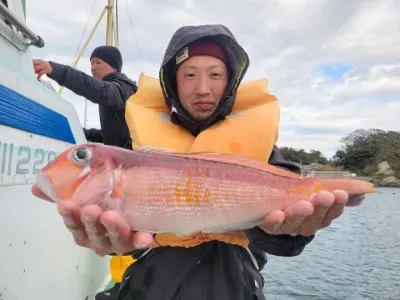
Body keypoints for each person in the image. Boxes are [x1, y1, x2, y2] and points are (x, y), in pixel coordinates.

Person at [33, 25, 358, 300]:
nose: (203, 88)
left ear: (230, 81)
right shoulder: (136, 144)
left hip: (236, 282)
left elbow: (288, 231)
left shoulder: (261, 149)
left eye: (215, 74)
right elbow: (122, 232)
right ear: (172, 82)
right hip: (150, 280)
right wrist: (113, 242)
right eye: (189, 75)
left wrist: (289, 232)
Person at [33, 45, 139, 300]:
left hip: (128, 176)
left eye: (98, 62)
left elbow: (99, 92)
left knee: (125, 232)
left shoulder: (120, 87)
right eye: (91, 62)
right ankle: (124, 282)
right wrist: (83, 132)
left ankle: (130, 285)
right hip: (123, 173)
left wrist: (56, 70)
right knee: (120, 232)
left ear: (114, 65)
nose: (93, 67)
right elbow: (114, 135)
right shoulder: (120, 94)